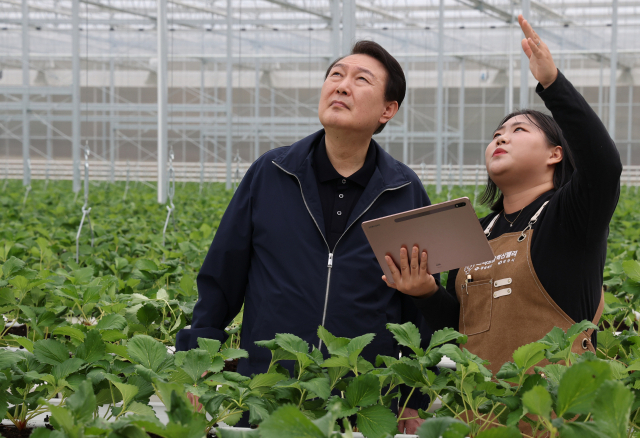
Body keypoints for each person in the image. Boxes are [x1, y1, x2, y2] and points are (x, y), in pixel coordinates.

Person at [176, 41, 432, 433]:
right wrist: (195, 365)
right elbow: (221, 279)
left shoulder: (403, 190)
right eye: (336, 75)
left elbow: (417, 311)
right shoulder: (272, 172)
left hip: (362, 397)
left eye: (361, 79)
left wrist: (414, 399)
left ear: (388, 110)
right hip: (269, 389)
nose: (342, 86)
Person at [383, 15, 622, 375]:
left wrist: (552, 84)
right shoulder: (473, 230)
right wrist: (426, 293)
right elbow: (465, 329)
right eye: (496, 134)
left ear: (555, 153)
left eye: (518, 130)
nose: (501, 138)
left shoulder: (572, 216)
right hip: (482, 412)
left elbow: (604, 166)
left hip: (555, 418)